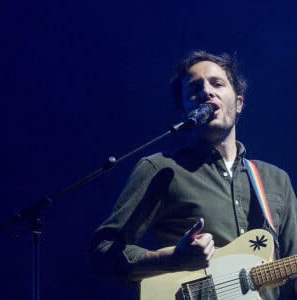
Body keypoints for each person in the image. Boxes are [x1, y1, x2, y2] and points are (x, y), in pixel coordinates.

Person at [89, 50, 297, 299]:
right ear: (184, 110)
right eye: (195, 88)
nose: (207, 92)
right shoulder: (160, 168)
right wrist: (171, 259)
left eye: (217, 83)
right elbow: (102, 252)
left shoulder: (276, 179)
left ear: (239, 103)